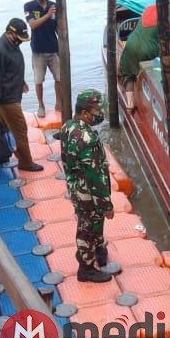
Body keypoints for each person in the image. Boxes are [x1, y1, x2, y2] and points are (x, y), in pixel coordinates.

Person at [56, 90, 115, 283]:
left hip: (75, 185)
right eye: (96, 110)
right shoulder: (87, 138)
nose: (100, 114)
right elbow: (94, 176)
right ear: (84, 113)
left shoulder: (68, 126)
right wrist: (106, 204)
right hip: (88, 192)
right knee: (87, 227)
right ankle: (86, 268)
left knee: (94, 222)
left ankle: (98, 250)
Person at [0, 18, 44, 172]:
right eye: (19, 38)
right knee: (20, 130)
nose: (20, 42)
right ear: (9, 33)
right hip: (7, 100)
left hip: (14, 93)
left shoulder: (12, 45)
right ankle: (25, 162)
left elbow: (12, 68)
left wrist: (21, 82)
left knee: (7, 128)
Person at [24, 0, 62, 119]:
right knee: (38, 80)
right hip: (38, 50)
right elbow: (33, 25)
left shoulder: (54, 6)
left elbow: (58, 27)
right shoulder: (29, 6)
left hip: (53, 49)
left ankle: (59, 103)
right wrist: (47, 15)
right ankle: (41, 105)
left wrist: (63, 46)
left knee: (59, 78)